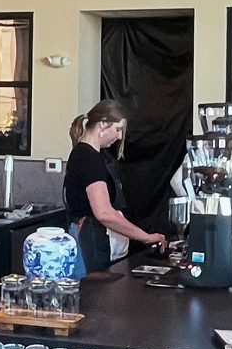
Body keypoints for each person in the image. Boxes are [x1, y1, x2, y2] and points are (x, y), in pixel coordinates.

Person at [64, 100, 163, 273]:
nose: (119, 137)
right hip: (91, 242)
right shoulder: (89, 158)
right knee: (94, 295)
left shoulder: (88, 155)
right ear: (103, 125)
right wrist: (145, 237)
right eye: (117, 130)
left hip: (94, 241)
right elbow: (103, 213)